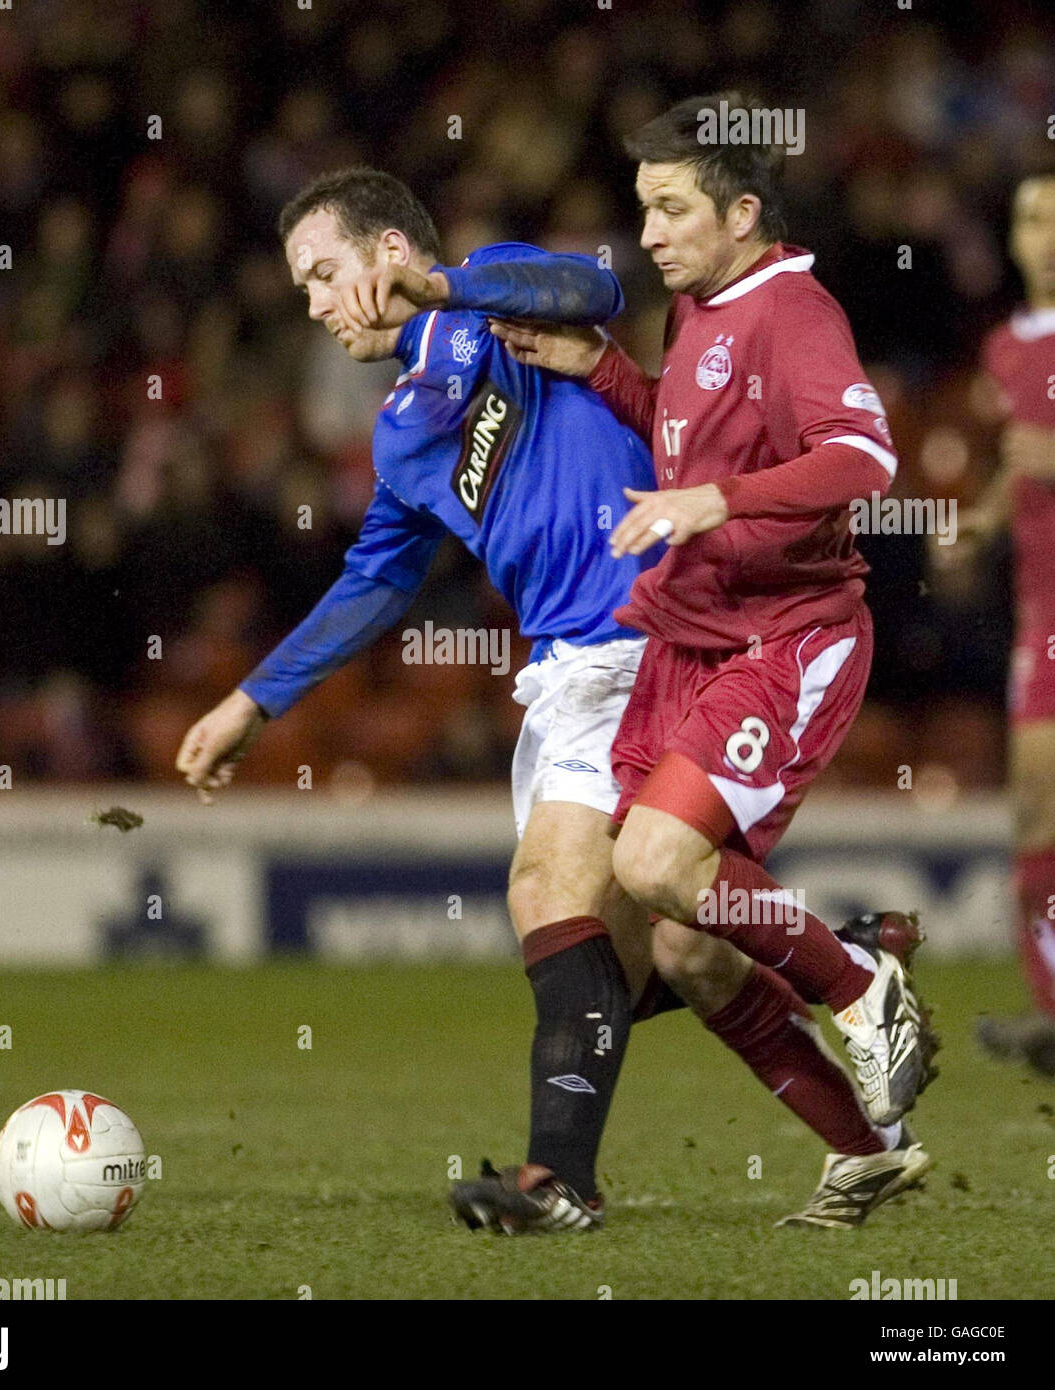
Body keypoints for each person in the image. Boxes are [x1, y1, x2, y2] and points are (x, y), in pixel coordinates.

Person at [176, 165, 924, 1234]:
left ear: (391, 253)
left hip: (647, 641)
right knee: (671, 948)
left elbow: (592, 294)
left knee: (551, 893)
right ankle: (867, 1128)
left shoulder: (490, 293)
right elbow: (379, 578)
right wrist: (253, 701)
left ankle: (556, 1182)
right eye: (301, 287)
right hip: (569, 674)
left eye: (324, 273)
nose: (314, 303)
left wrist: (443, 290)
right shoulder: (402, 432)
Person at [483, 92, 939, 1228]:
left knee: (647, 865)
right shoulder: (700, 310)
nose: (648, 234)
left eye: (672, 209)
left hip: (785, 641)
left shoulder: (793, 310)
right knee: (685, 947)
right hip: (689, 642)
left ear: (741, 211)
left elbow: (863, 455)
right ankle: (860, 1150)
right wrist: (598, 366)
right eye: (642, 209)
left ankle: (859, 977)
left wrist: (716, 498)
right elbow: (686, 440)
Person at [969, 173, 1055, 1078]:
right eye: (1032, 217)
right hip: (1043, 611)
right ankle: (1050, 1008)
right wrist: (985, 521)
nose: (1045, 235)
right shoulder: (1004, 346)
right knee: (1033, 808)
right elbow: (1016, 461)